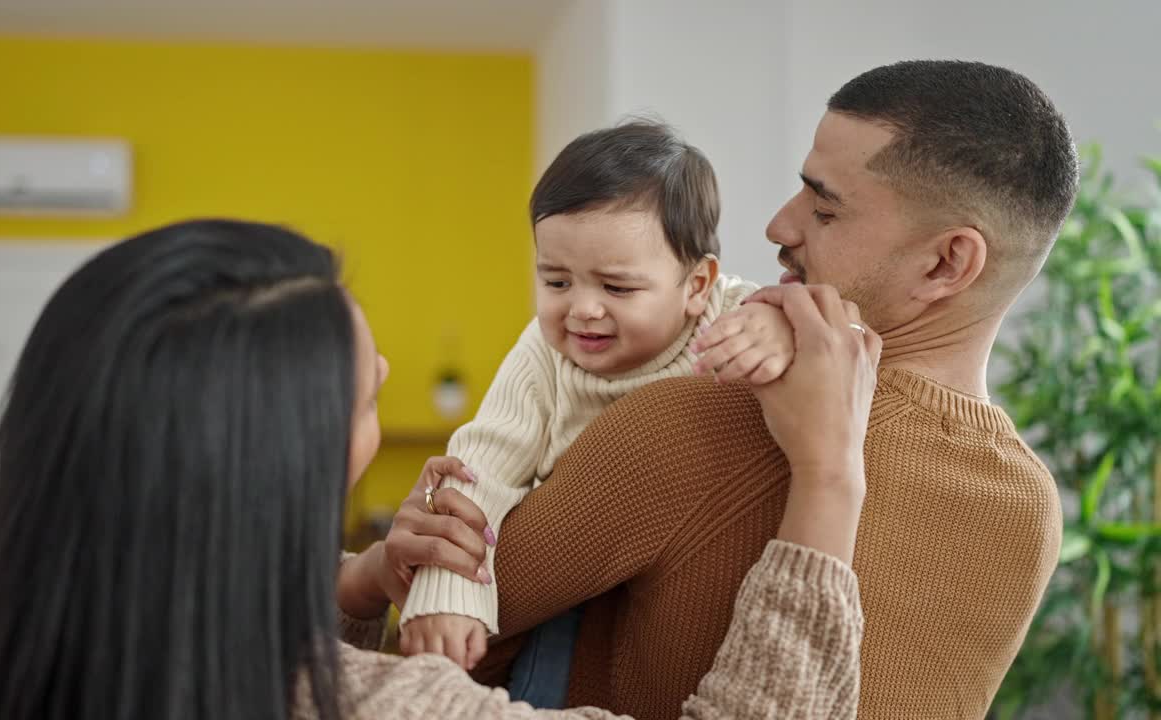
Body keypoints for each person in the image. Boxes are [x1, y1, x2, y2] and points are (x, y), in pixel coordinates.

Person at [0, 218, 880, 720]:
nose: (388, 377)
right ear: (278, 471)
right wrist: (829, 474)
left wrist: (356, 589)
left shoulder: (26, 630)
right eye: (361, 397)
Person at [444, 60, 1076, 719]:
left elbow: (447, 652)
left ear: (947, 262)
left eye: (824, 209)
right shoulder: (1031, 510)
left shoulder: (693, 419)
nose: (779, 225)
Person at [397, 121, 797, 688]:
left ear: (697, 286)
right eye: (557, 282)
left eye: (616, 288)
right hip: (568, 594)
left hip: (686, 585)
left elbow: (835, 331)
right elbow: (478, 466)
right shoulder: (542, 354)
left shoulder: (736, 316)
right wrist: (447, 594)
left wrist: (782, 326)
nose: (582, 309)